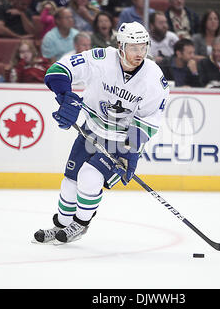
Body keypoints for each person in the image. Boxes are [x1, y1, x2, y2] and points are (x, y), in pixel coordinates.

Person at [33, 21, 169, 244]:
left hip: (120, 141)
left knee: (89, 176)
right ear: (120, 46)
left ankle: (80, 224)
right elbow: (58, 70)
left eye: (143, 47)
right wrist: (65, 95)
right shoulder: (100, 59)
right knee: (69, 182)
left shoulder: (154, 78)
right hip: (91, 130)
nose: (140, 53)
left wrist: (130, 150)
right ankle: (61, 225)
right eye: (134, 47)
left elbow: (148, 120)